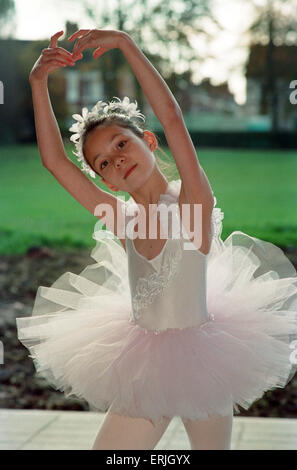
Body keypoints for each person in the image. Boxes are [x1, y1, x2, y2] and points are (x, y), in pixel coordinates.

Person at [16, 29, 297, 451]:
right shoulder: (121, 217)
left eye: (122, 143)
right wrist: (38, 83)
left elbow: (171, 117)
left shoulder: (191, 204)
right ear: (102, 177)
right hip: (142, 365)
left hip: (206, 362)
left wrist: (128, 45)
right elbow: (54, 161)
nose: (118, 160)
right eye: (104, 162)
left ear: (148, 141)